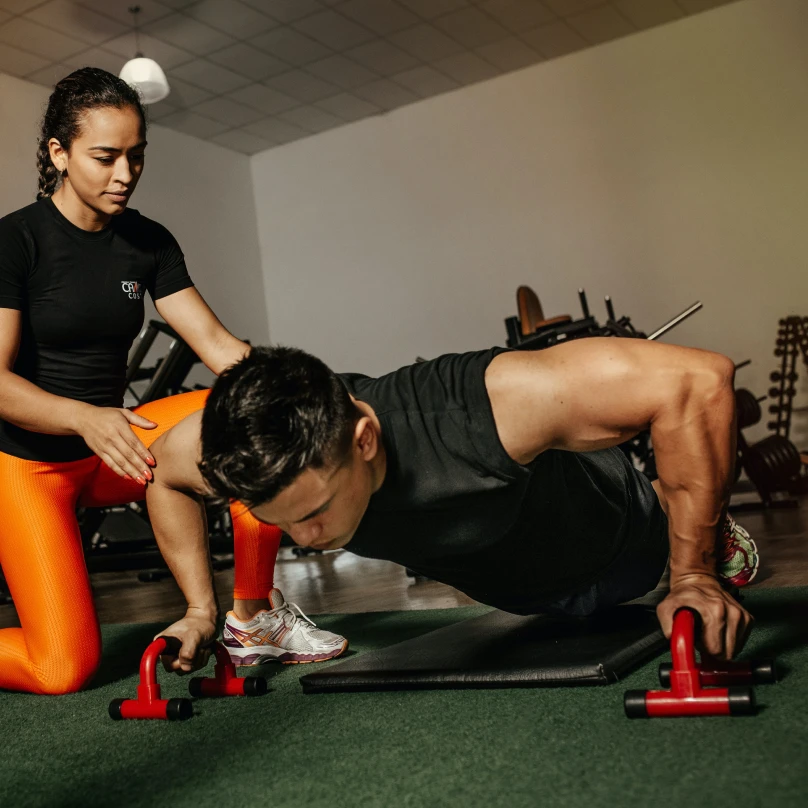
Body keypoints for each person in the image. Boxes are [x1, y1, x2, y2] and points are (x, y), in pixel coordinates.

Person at [0, 68, 345, 695]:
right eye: (106, 157)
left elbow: (217, 346)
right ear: (59, 153)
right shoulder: (14, 241)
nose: (125, 173)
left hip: (117, 446)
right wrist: (83, 416)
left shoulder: (146, 241)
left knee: (252, 416)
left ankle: (251, 617)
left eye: (136, 156)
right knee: (61, 669)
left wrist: (307, 392)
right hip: (28, 466)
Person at [143, 339, 759, 671]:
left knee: (662, 534)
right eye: (280, 521)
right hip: (521, 594)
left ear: (364, 440)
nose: (305, 539)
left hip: (625, 539)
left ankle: (700, 530)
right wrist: (200, 609)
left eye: (315, 512)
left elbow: (698, 381)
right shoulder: (242, 449)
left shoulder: (480, 408)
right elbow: (161, 475)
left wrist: (694, 576)